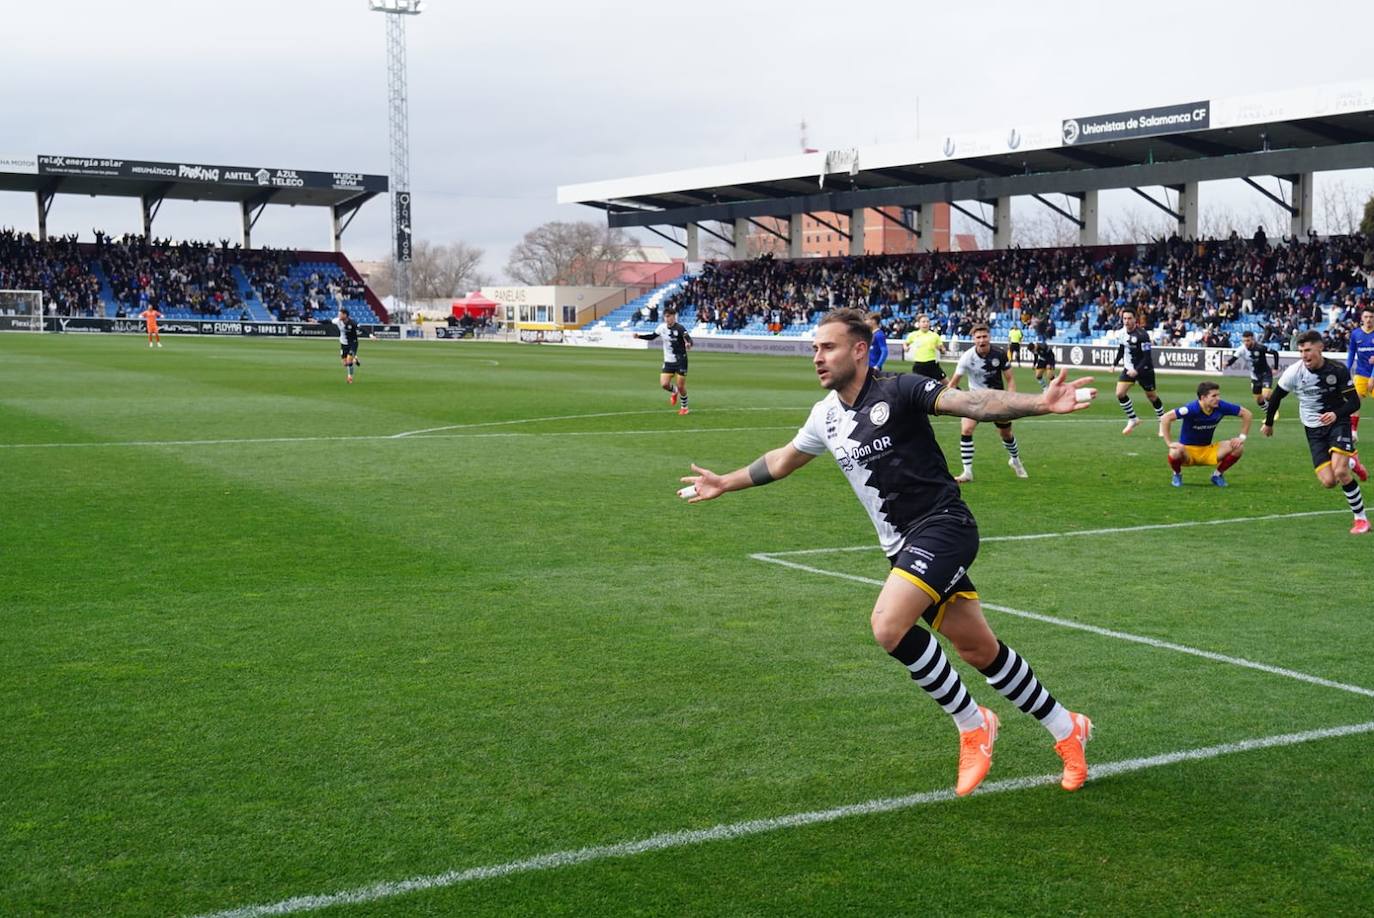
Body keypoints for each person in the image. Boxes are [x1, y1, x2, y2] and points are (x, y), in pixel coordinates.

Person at [678, 307, 1095, 797]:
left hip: (944, 527)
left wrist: (1039, 404)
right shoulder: (825, 416)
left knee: (887, 625)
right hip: (902, 548)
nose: (817, 357)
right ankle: (1069, 730)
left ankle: (973, 723)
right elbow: (784, 459)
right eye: (814, 348)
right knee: (979, 650)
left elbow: (972, 402)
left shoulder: (900, 390)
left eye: (827, 347)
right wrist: (726, 482)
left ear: (859, 350)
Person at [1263, 331, 1369, 534]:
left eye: (1308, 350)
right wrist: (1269, 424)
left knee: (1340, 472)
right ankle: (1352, 461)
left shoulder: (1337, 370)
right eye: (1301, 351)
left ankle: (1361, 519)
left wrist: (1336, 415)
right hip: (1313, 429)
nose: (1304, 355)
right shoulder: (1294, 372)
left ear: (1320, 348)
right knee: (1329, 481)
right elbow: (1276, 397)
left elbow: (1354, 402)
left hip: (1338, 422)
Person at [947, 324, 1027, 481]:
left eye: (984, 336)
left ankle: (1016, 460)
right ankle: (967, 472)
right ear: (973, 340)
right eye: (978, 337)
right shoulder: (967, 358)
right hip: (974, 399)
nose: (982, 340)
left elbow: (1010, 379)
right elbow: (953, 383)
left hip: (997, 399)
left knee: (1006, 434)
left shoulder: (1000, 354)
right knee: (967, 430)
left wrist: (1011, 399)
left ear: (989, 337)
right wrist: (946, 400)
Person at [1159, 381, 1252, 488]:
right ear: (1203, 398)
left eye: (1218, 395)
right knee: (1175, 451)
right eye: (1214, 396)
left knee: (1238, 447)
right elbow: (1166, 418)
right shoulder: (1191, 409)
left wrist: (1242, 437)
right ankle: (1177, 474)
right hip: (1187, 452)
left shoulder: (1221, 406)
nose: (1218, 398)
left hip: (1207, 450)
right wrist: (1169, 443)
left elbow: (1247, 414)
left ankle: (1217, 475)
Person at [632, 306, 693, 415]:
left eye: (669, 316)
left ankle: (684, 407)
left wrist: (688, 343)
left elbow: (688, 339)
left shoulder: (680, 328)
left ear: (674, 317)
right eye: (665, 316)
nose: (667, 319)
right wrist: (639, 336)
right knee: (664, 384)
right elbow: (652, 336)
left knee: (681, 385)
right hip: (668, 360)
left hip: (681, 360)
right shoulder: (661, 327)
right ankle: (674, 392)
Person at [1112, 308, 1164, 435]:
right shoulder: (1121, 333)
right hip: (1129, 368)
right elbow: (1121, 349)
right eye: (1124, 318)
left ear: (1135, 319)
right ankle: (1133, 419)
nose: (1126, 321)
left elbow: (1147, 357)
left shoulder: (1143, 335)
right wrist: (1114, 364)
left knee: (1151, 396)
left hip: (1144, 369)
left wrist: (1137, 370)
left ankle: (1163, 421)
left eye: (1129, 318)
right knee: (1120, 393)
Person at [1225, 330, 1280, 412]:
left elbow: (1275, 353)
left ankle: (1272, 411)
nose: (1246, 343)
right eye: (1244, 341)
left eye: (1248, 340)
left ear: (1252, 339)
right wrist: (1227, 363)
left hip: (1266, 373)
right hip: (1255, 376)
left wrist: (1275, 368)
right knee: (1259, 400)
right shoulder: (1241, 349)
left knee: (1266, 394)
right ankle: (1269, 410)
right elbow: (1233, 359)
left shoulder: (1260, 348)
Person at [1346, 305, 1374, 442]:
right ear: (1362, 318)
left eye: (1371, 317)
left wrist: (1372, 377)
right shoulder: (1356, 334)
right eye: (1366, 317)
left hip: (1373, 375)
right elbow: (1351, 353)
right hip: (1361, 373)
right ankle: (1353, 432)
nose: (1368, 320)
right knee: (1354, 401)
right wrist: (1347, 370)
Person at [903, 313, 945, 380]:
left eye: (927, 322)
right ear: (919, 324)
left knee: (947, 384)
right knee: (917, 387)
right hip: (919, 365)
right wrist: (905, 348)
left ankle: (957, 390)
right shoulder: (913, 335)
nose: (926, 323)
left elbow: (943, 349)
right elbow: (905, 343)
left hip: (932, 364)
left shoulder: (934, 335)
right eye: (923, 322)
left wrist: (941, 349)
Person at [329, 307, 360, 383]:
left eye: (340, 314)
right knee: (345, 363)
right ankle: (354, 359)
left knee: (349, 360)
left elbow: (361, 328)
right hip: (343, 344)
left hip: (353, 343)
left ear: (345, 315)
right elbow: (328, 321)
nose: (339, 315)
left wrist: (370, 335)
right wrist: (316, 321)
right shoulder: (337, 321)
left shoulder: (352, 322)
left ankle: (350, 377)